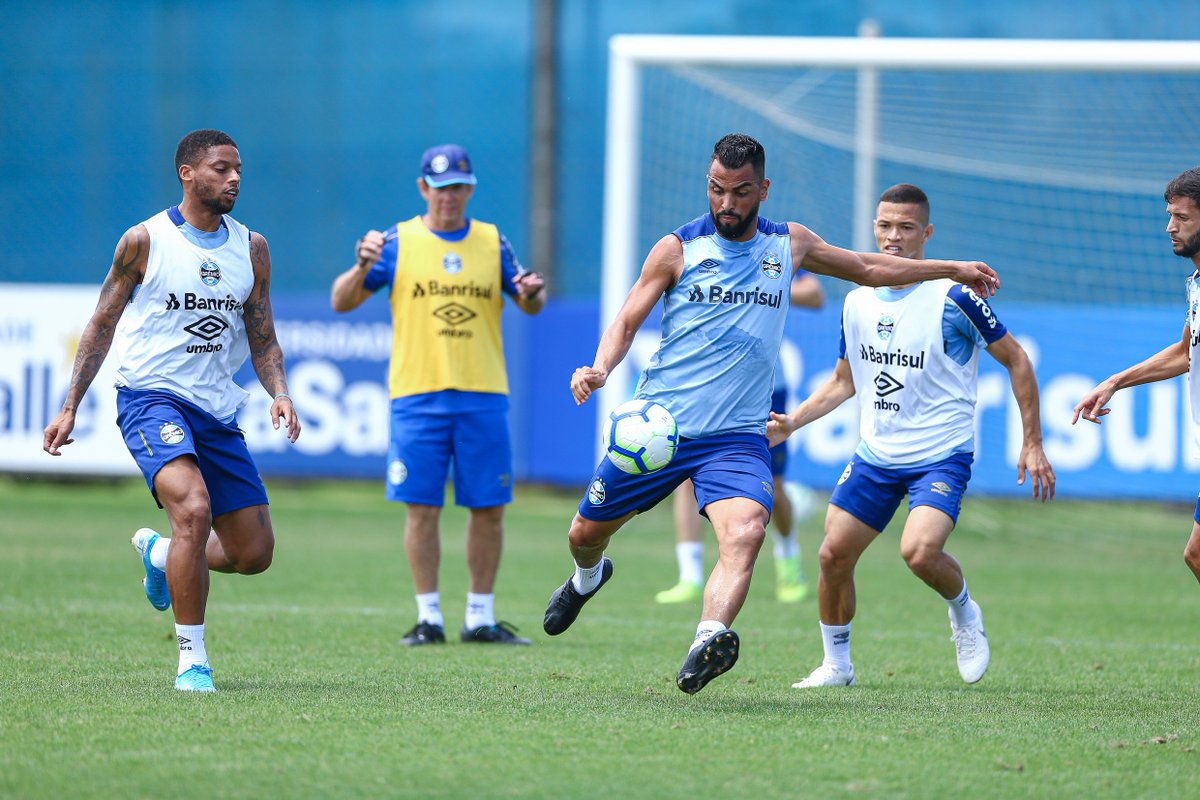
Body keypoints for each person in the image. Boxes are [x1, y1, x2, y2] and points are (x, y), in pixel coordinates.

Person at [541, 134, 1000, 695]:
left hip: (737, 436)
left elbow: (867, 268)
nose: (726, 203)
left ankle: (707, 639)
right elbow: (627, 319)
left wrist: (950, 268)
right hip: (661, 429)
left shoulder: (790, 244)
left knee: (746, 531)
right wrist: (600, 368)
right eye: (716, 190)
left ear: (763, 189)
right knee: (584, 533)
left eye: (739, 192)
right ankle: (587, 578)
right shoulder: (677, 249)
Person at [42, 129, 302, 693]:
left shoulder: (252, 248)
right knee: (193, 507)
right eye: (220, 168)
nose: (234, 178)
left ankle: (161, 555)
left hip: (216, 409)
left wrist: (279, 391)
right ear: (187, 172)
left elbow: (263, 337)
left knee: (254, 554)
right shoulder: (143, 240)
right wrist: (69, 408)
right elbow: (102, 324)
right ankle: (193, 660)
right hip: (150, 396)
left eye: (238, 169)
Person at [770, 183, 1054, 690]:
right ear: (873, 228)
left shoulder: (954, 296)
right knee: (833, 555)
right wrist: (793, 422)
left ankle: (964, 611)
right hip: (877, 454)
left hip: (940, 455)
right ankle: (837, 665)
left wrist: (1032, 441)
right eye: (884, 225)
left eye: (905, 227)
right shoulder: (856, 301)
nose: (893, 236)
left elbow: (1017, 360)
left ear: (927, 232)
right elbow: (843, 381)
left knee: (919, 553)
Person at [330, 143, 546, 647]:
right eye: (440, 187)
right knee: (421, 507)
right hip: (418, 394)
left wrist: (533, 291)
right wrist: (361, 267)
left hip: (482, 392)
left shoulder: (493, 242)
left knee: (488, 507)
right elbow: (341, 301)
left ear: (469, 190)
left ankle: (480, 617)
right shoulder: (396, 241)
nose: (449, 197)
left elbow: (529, 302)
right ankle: (429, 617)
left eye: (458, 188)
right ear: (423, 187)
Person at [656, 272, 825, 605]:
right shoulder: (694, 252)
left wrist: (753, 287)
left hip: (760, 388)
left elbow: (815, 295)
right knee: (685, 477)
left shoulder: (770, 250)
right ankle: (689, 574)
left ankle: (788, 558)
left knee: (771, 486)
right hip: (702, 386)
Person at [1074, 167, 1200, 589]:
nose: (1171, 227)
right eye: (1170, 215)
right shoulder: (1197, 283)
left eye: (1182, 218)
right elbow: (1184, 352)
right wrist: (1114, 381)